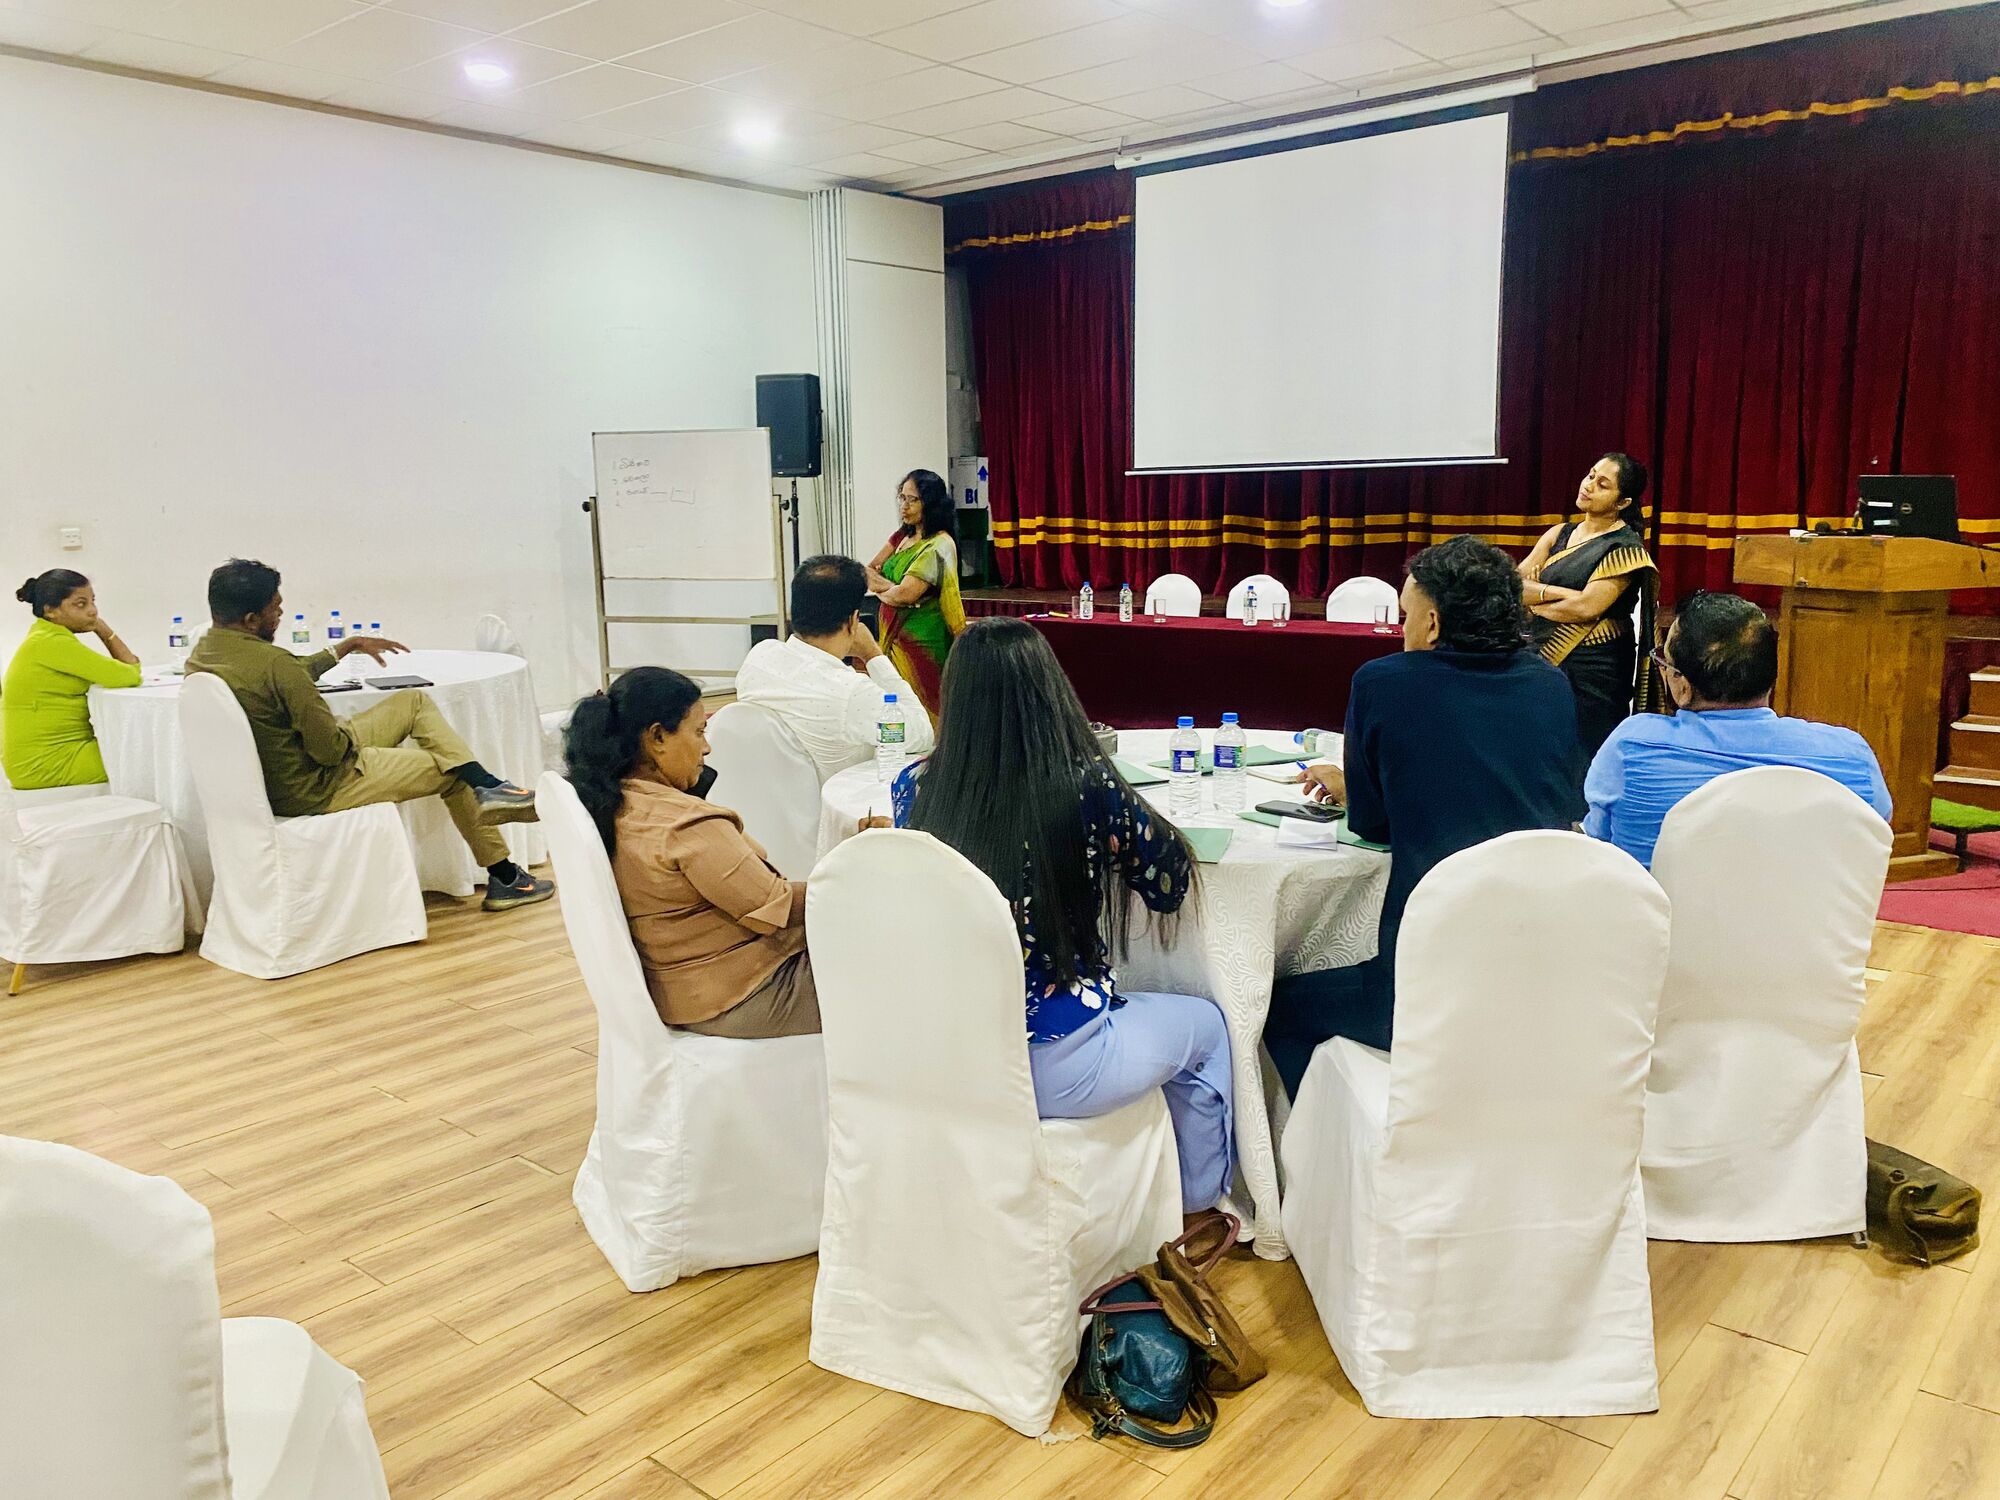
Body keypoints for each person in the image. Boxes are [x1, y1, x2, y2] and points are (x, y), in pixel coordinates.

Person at [890, 618, 1233, 1215]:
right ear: (1049, 690)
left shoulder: (912, 787)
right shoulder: (1084, 784)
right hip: (1057, 1062)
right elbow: (1167, 882)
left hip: (947, 1050)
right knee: (1208, 1028)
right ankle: (1197, 1206)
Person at [1263, 536, 1585, 1095]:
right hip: (1545, 974)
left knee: (1270, 1010)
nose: (1402, 629)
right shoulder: (1551, 684)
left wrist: (1360, 789)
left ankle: (1318, 1146)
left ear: (1432, 623)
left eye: (1406, 616)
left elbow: (1373, 825)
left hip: (1428, 986)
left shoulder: (1383, 682)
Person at [185, 559, 550, 912]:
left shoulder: (205, 654)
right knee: (452, 769)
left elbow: (289, 672)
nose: (280, 614)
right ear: (252, 620)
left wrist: (346, 647)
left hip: (277, 779)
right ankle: (506, 877)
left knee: (412, 701)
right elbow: (329, 751)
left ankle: (489, 786)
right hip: (318, 784)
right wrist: (353, 738)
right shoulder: (275, 665)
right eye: (275, 608)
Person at [565, 666, 818, 1038]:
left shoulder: (611, 802)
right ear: (657, 737)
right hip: (745, 993)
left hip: (680, 993)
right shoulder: (684, 825)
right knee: (896, 964)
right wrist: (858, 880)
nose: (707, 747)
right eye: (699, 732)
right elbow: (774, 909)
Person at [1586, 590, 1890, 869]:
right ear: (1771, 672)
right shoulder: (1852, 756)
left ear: (1683, 685)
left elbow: (1599, 843)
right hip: (1812, 913)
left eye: (1664, 662)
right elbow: (1872, 842)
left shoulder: (1633, 745)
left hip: (1663, 913)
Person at [734, 555, 935, 782]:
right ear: (853, 620)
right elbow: (922, 734)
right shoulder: (851, 692)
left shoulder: (760, 657)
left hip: (761, 792)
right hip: (831, 799)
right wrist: (873, 655)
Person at [1519, 453, 1662, 760]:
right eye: (1591, 475)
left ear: (1622, 502)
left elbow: (1586, 608)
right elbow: (1515, 587)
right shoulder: (1559, 533)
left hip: (1595, 668)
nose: (1589, 485)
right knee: (1540, 746)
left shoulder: (1625, 547)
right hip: (1541, 655)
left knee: (1587, 752)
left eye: (1603, 484)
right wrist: (1559, 593)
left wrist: (1537, 597)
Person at [3, 570, 142, 789]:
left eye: (93, 601)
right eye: (81, 604)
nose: (93, 611)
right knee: (149, 753)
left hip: (49, 756)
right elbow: (130, 674)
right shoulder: (51, 643)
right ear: (50, 610)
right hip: (45, 763)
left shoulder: (44, 637)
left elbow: (129, 672)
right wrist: (103, 630)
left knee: (145, 749)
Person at [866, 469, 964, 722]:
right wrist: (889, 591)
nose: (904, 506)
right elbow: (868, 571)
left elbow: (906, 595)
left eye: (913, 500)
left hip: (923, 639)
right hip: (892, 636)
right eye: (902, 498)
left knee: (925, 705)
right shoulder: (902, 536)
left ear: (930, 503)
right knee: (894, 705)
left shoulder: (939, 545)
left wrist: (883, 589)